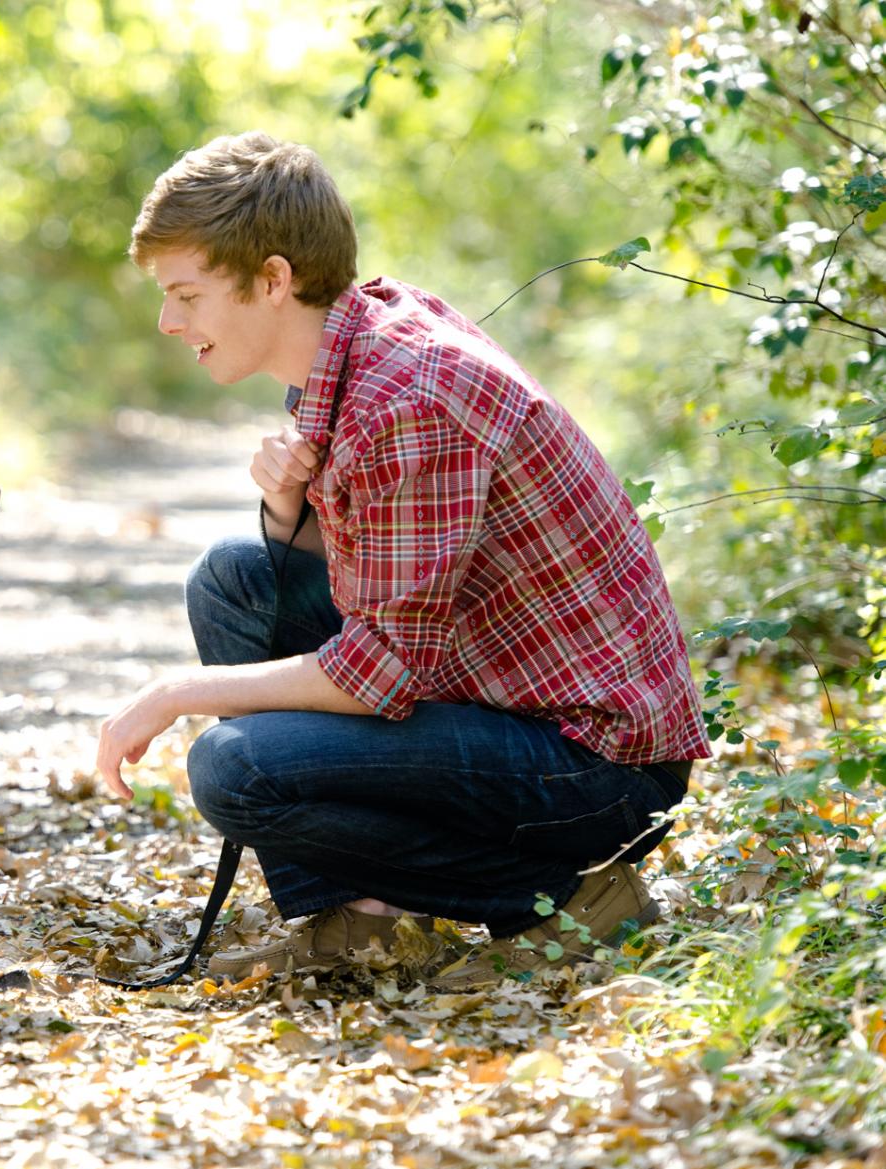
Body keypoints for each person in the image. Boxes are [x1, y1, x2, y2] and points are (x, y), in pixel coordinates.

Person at [93, 132, 710, 989]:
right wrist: (286, 510)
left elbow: (379, 669)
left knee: (232, 767)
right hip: (497, 696)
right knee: (235, 579)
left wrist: (177, 694)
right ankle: (366, 920)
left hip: (594, 765)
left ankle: (565, 901)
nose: (168, 322)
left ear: (272, 280)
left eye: (184, 294)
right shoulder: (349, 347)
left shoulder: (407, 397)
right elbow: (376, 587)